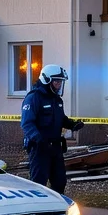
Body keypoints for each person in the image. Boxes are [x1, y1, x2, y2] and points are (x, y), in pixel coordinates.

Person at [21, 64, 85, 194]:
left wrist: (72, 124)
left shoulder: (57, 99)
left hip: (55, 148)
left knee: (60, 181)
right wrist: (38, 139)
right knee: (39, 184)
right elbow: (27, 123)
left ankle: (58, 204)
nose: (59, 85)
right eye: (56, 81)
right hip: (39, 148)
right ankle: (37, 205)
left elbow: (61, 118)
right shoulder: (33, 98)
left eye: (61, 82)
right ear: (47, 80)